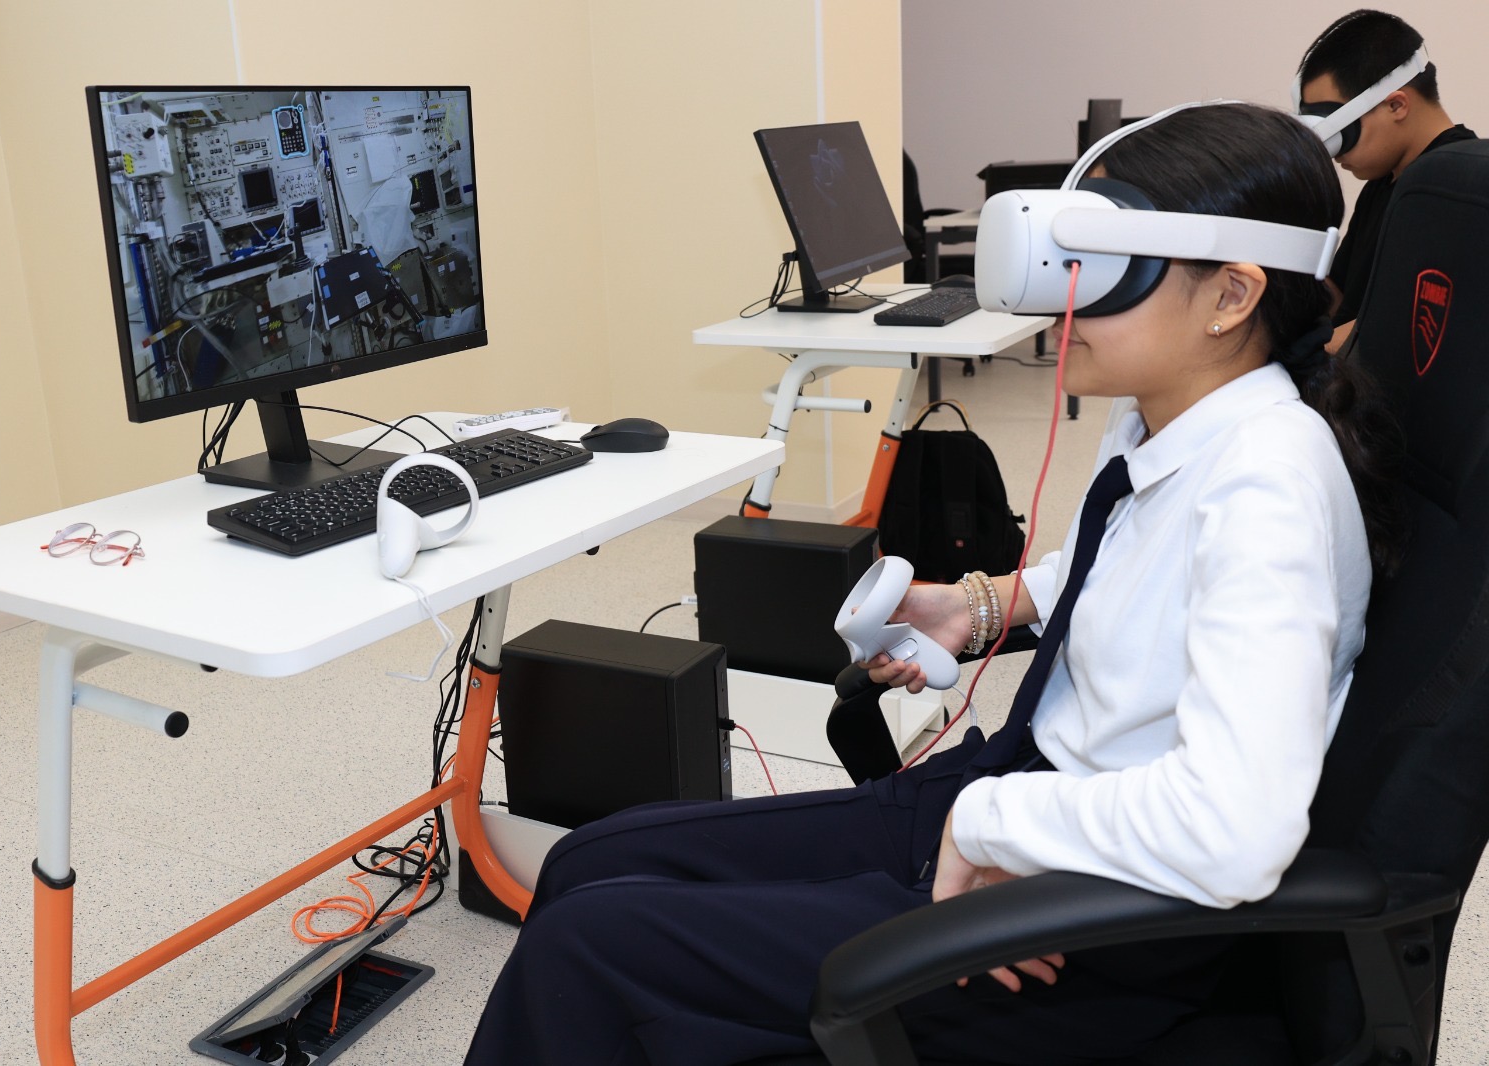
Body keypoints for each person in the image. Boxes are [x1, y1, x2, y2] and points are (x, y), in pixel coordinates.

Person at [461, 103, 1405, 1066]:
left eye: (1103, 268)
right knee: (588, 861)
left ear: (1231, 295)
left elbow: (1235, 830)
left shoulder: (1267, 488)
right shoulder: (1168, 420)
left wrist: (994, 825)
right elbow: (1127, 568)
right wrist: (981, 603)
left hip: (1097, 914)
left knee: (587, 948)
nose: (1061, 298)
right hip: (1016, 796)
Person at [1296, 9, 1476, 353]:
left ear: (1396, 105)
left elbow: (1393, 325)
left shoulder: (1449, 189)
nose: (1334, 154)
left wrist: (1299, 357)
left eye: (1341, 134)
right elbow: (1340, 294)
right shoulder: (1384, 182)